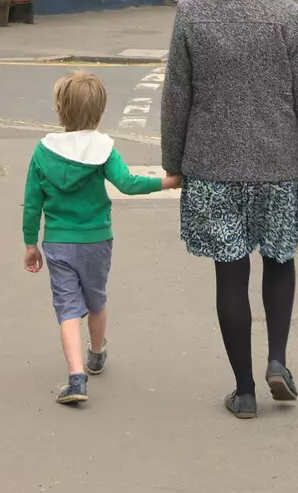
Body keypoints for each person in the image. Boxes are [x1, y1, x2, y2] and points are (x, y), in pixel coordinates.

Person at [161, 0, 298, 419]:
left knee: (230, 276)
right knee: (280, 262)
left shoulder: (191, 16)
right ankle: (278, 361)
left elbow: (177, 98)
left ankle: (243, 392)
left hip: (213, 168)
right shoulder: (288, 16)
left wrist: (172, 163)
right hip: (278, 167)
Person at [23, 70, 182, 405]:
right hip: (96, 239)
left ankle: (76, 378)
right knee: (96, 299)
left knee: (67, 308)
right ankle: (96, 353)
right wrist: (167, 182)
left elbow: (32, 202)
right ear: (99, 111)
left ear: (60, 109)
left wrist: (29, 244)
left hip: (57, 241)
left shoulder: (43, 151)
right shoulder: (103, 148)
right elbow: (127, 183)